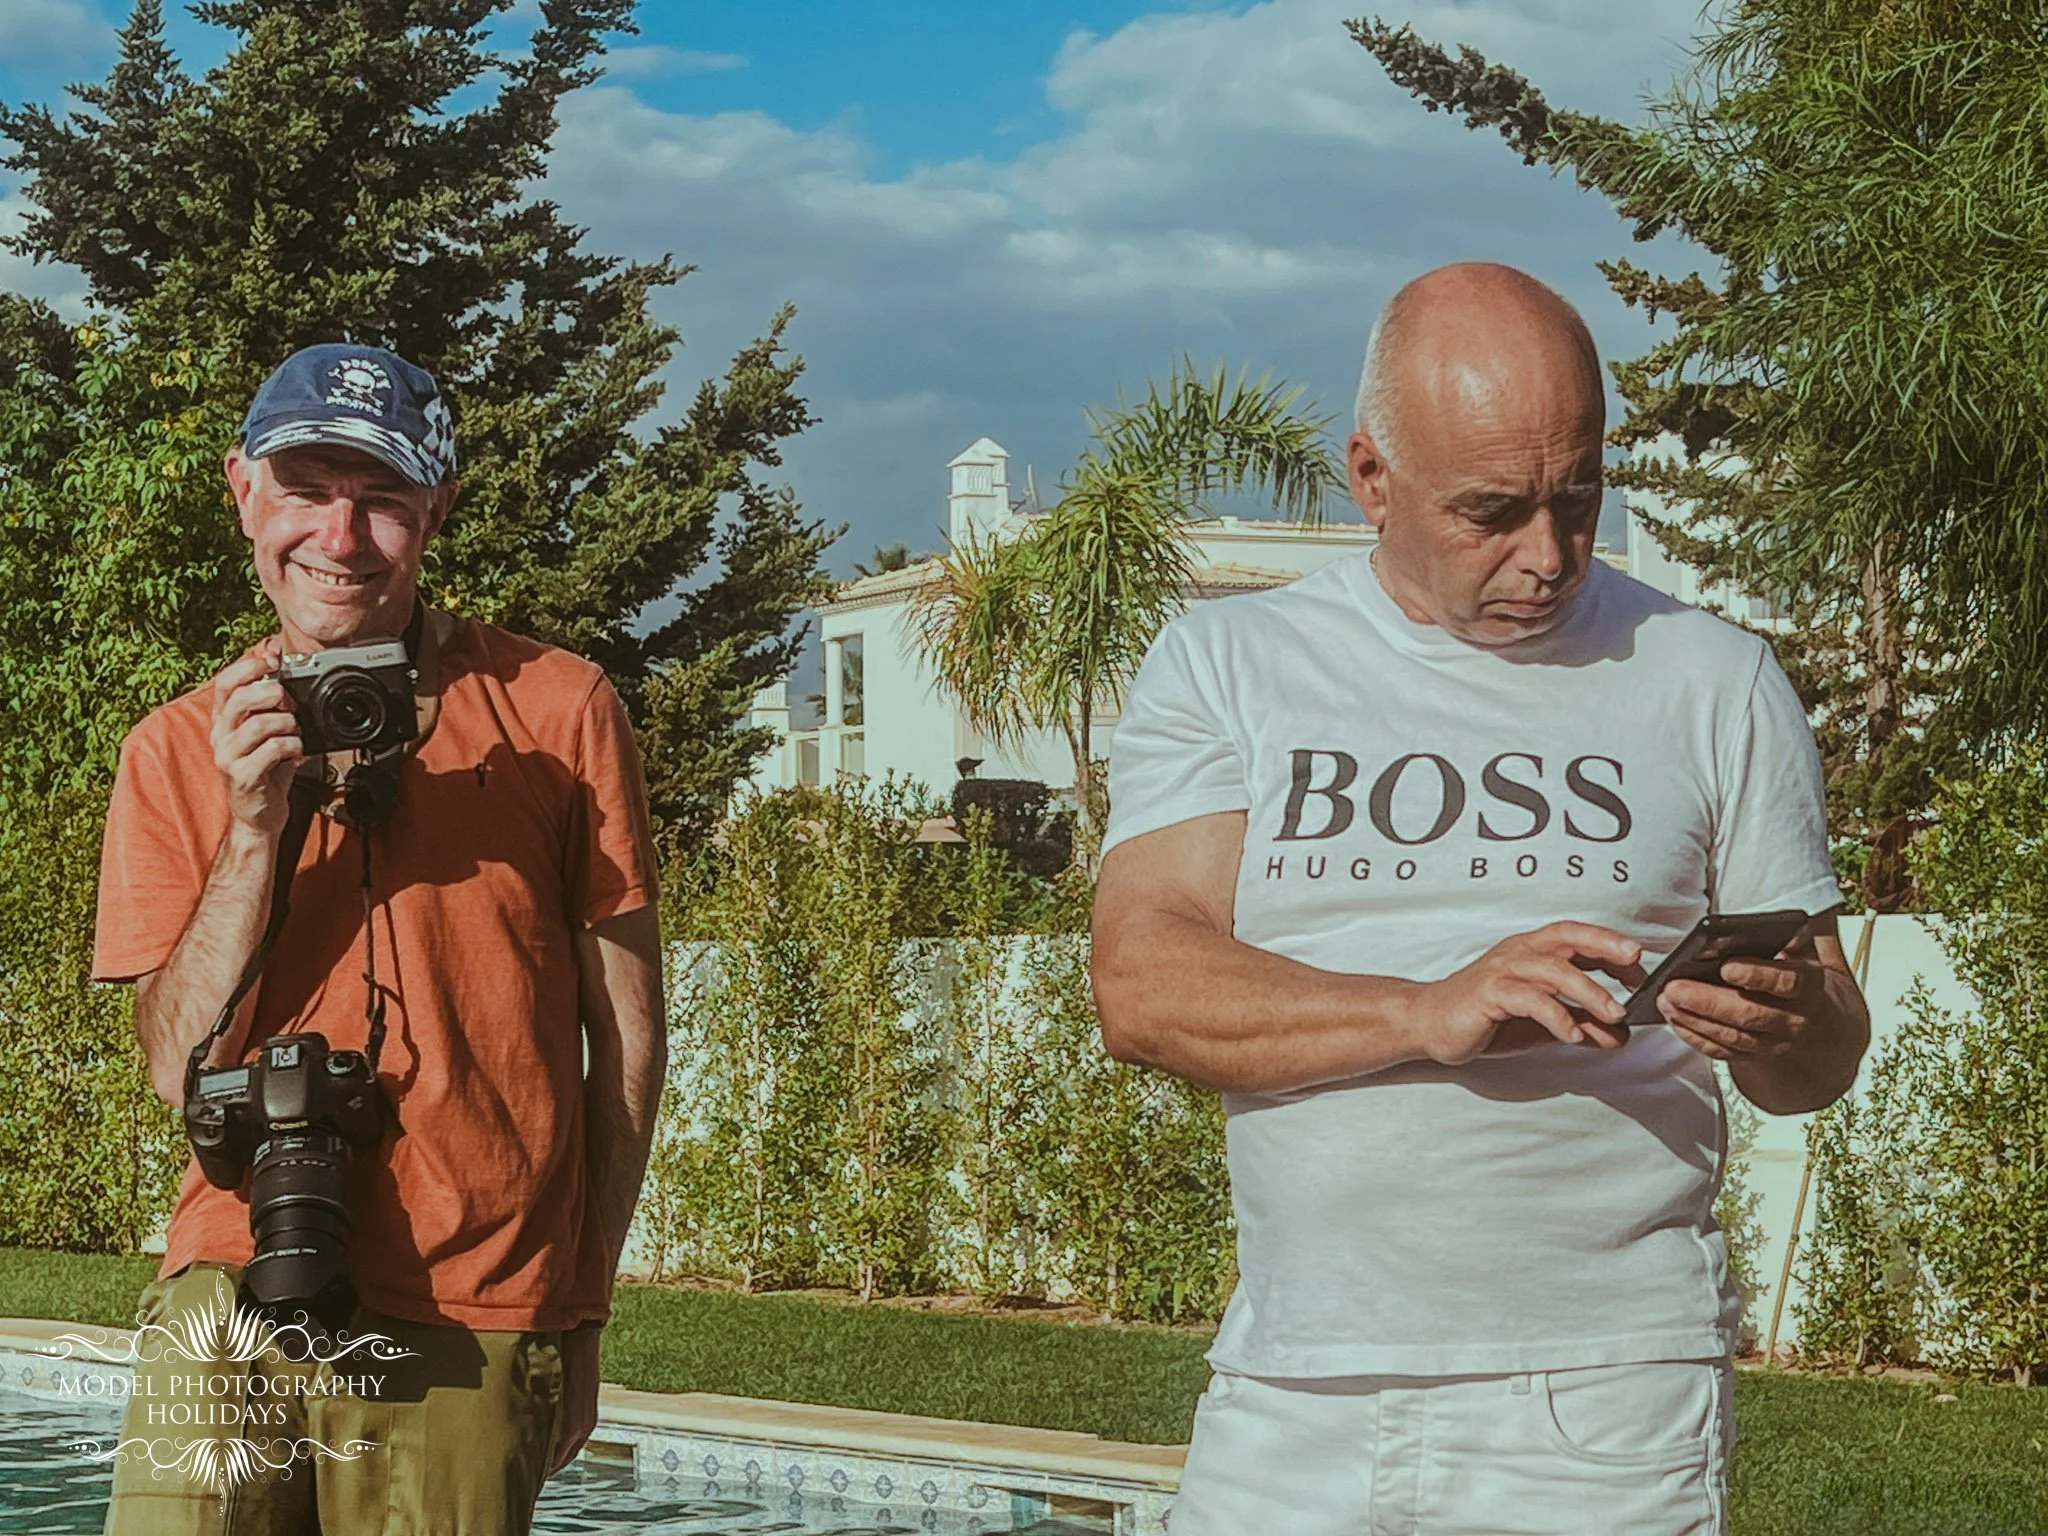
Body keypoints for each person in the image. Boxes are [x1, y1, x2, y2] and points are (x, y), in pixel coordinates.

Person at [1090, 263, 1870, 1535]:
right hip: (1293, 1387)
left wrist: (1791, 1025)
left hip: (1602, 1400)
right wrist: (1425, 1009)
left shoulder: (1711, 678)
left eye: (1579, 498)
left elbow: (1818, 1057)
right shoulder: (1231, 664)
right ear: (1371, 477)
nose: (1548, 556)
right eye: (1491, 512)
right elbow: (1142, 985)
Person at [91, 343, 666, 1534]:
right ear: (243, 491)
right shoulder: (174, 748)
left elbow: (628, 1038)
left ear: (436, 509)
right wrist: (253, 827)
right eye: (305, 490)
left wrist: (582, 1308)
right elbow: (176, 1070)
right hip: (231, 1277)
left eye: (382, 500)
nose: (340, 537)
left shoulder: (559, 711)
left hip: (474, 1301)